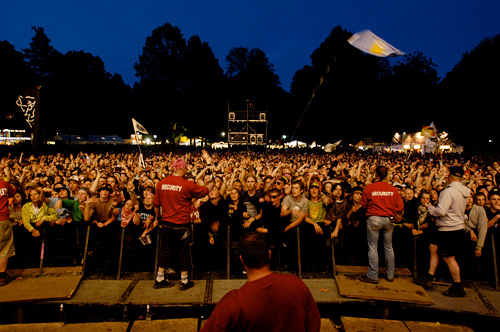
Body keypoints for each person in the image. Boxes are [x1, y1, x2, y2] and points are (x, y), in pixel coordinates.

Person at [200, 232, 321, 332]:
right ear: (269, 254)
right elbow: (314, 324)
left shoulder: (232, 304)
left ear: (241, 259)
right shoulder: (296, 285)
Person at [153, 157, 210, 290]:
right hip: (181, 225)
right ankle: (184, 281)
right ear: (183, 169)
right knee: (184, 252)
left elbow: (156, 204)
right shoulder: (186, 184)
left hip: (166, 223)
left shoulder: (162, 183)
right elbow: (204, 191)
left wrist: (158, 217)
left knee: (165, 250)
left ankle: (159, 277)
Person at [424, 166, 470, 297]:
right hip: (456, 227)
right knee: (434, 247)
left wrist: (430, 207)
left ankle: (458, 286)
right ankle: (429, 276)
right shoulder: (465, 191)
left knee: (449, 258)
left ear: (450, 176)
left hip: (448, 228)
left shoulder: (448, 192)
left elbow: (441, 211)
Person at [359, 165, 404, 284]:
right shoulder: (393, 189)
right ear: (387, 175)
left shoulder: (369, 188)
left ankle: (373, 275)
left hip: (374, 219)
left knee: (373, 247)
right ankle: (390, 274)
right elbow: (400, 206)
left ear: (376, 174)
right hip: (388, 220)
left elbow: (363, 205)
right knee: (388, 247)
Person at [0, 176, 16, 286]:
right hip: (3, 219)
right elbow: (13, 191)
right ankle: (1, 276)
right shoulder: (4, 184)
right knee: (4, 248)